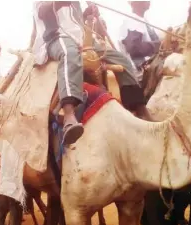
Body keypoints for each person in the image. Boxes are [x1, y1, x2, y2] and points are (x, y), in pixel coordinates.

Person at [83, 4, 153, 121]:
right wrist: (90, 17)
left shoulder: (106, 42)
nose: (104, 27)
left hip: (111, 66)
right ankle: (137, 107)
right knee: (123, 63)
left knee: (124, 63)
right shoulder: (95, 39)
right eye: (101, 24)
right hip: (97, 62)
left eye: (105, 25)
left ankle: (139, 106)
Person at [29, 1, 85, 145]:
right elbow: (42, 11)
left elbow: (73, 22)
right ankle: (69, 115)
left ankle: (138, 107)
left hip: (80, 42)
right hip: (54, 39)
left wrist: (87, 14)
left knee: (121, 60)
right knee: (69, 53)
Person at [119, 1, 160, 77]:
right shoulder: (131, 21)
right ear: (135, 4)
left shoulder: (142, 20)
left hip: (152, 63)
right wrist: (158, 44)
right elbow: (135, 49)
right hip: (143, 71)